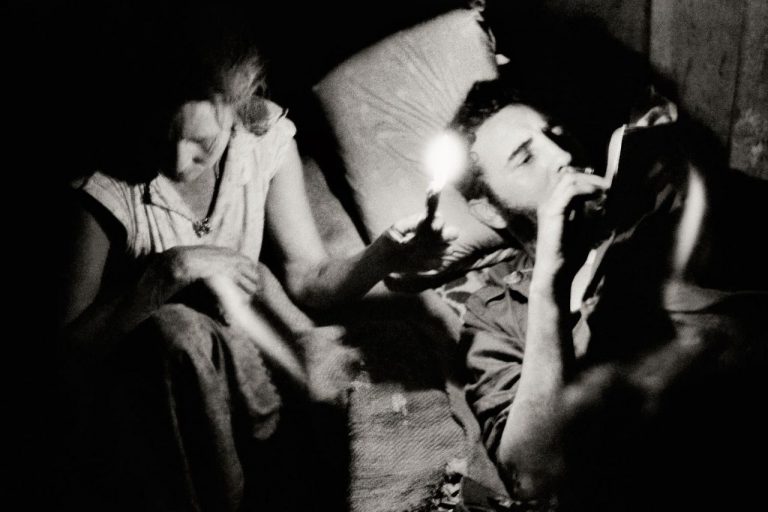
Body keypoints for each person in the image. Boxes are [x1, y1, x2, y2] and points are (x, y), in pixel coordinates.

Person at [55, 22, 456, 512]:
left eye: (200, 142)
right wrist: (166, 273)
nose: (178, 163)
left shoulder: (261, 137)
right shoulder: (106, 187)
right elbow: (63, 359)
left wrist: (386, 253)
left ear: (236, 104)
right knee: (177, 330)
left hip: (247, 365)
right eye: (161, 136)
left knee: (389, 350)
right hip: (156, 401)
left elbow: (309, 278)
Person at [451, 79, 768, 509]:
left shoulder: (656, 208)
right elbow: (530, 474)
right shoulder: (496, 312)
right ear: (488, 210)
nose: (563, 157)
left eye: (557, 135)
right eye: (526, 157)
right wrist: (548, 282)